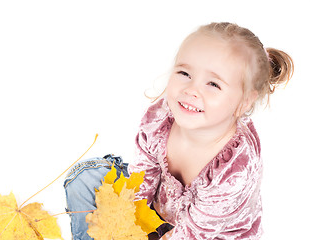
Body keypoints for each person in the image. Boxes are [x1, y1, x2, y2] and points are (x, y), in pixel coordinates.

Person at [64, 22, 294, 239]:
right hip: (159, 212)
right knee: (85, 178)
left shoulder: (235, 168)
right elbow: (142, 179)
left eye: (213, 84)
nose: (191, 89)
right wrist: (127, 222)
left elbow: (195, 234)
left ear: (244, 101)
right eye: (185, 74)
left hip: (207, 233)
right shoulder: (160, 119)